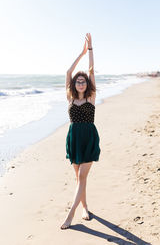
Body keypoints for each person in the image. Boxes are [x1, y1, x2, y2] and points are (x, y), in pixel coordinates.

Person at [60, 32, 101, 229]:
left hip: (88, 138)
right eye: (79, 81)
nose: (81, 83)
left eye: (84, 81)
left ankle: (71, 214)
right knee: (78, 178)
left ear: (87, 84)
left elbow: (92, 71)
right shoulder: (70, 98)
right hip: (74, 138)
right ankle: (85, 207)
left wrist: (91, 50)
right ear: (75, 84)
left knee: (82, 177)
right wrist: (81, 53)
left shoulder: (90, 98)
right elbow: (68, 72)